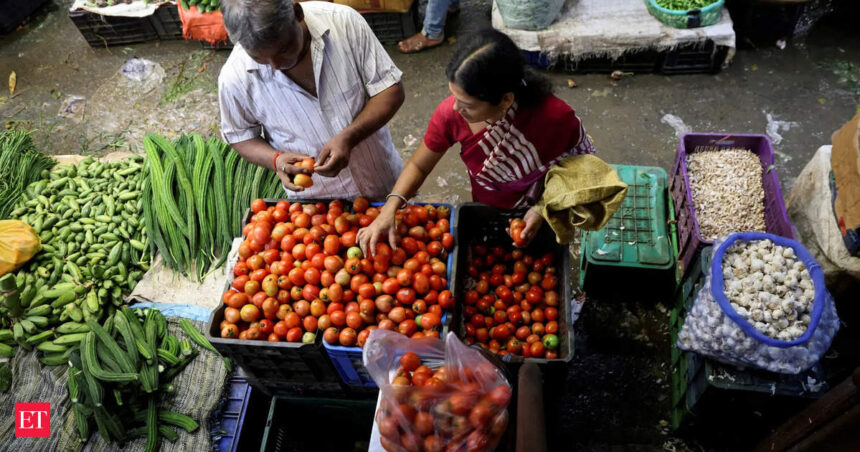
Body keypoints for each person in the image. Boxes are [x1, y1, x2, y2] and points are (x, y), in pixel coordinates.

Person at [358, 29, 594, 255]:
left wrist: (543, 209)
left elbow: (581, 171)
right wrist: (390, 209)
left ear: (505, 100)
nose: (455, 108)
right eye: (454, 96)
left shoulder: (554, 118)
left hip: (546, 206)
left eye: (467, 104)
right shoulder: (450, 115)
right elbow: (419, 165)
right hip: (487, 205)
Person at [218, 0, 405, 200]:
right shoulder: (235, 77)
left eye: (284, 50)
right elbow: (240, 136)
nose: (275, 65)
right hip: (314, 204)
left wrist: (349, 137)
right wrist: (276, 159)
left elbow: (390, 91)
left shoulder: (343, 23)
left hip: (381, 180)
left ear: (297, 13)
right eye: (260, 58)